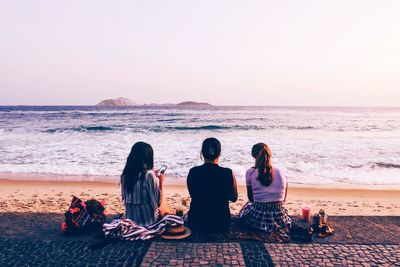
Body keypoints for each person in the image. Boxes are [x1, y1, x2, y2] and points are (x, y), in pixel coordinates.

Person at [239, 143, 291, 241]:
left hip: (259, 215)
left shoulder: (250, 172)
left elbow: (251, 199)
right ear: (269, 154)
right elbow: (283, 199)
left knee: (242, 212)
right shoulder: (282, 170)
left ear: (253, 156)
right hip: (279, 214)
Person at [186, 137, 238, 233]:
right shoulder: (228, 173)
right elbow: (234, 198)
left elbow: (193, 195)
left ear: (202, 153)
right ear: (219, 153)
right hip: (221, 223)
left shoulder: (193, 172)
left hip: (197, 222)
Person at [120, 142, 166, 227]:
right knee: (166, 204)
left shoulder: (125, 175)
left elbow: (124, 199)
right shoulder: (149, 175)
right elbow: (158, 202)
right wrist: (160, 182)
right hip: (148, 222)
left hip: (130, 220)